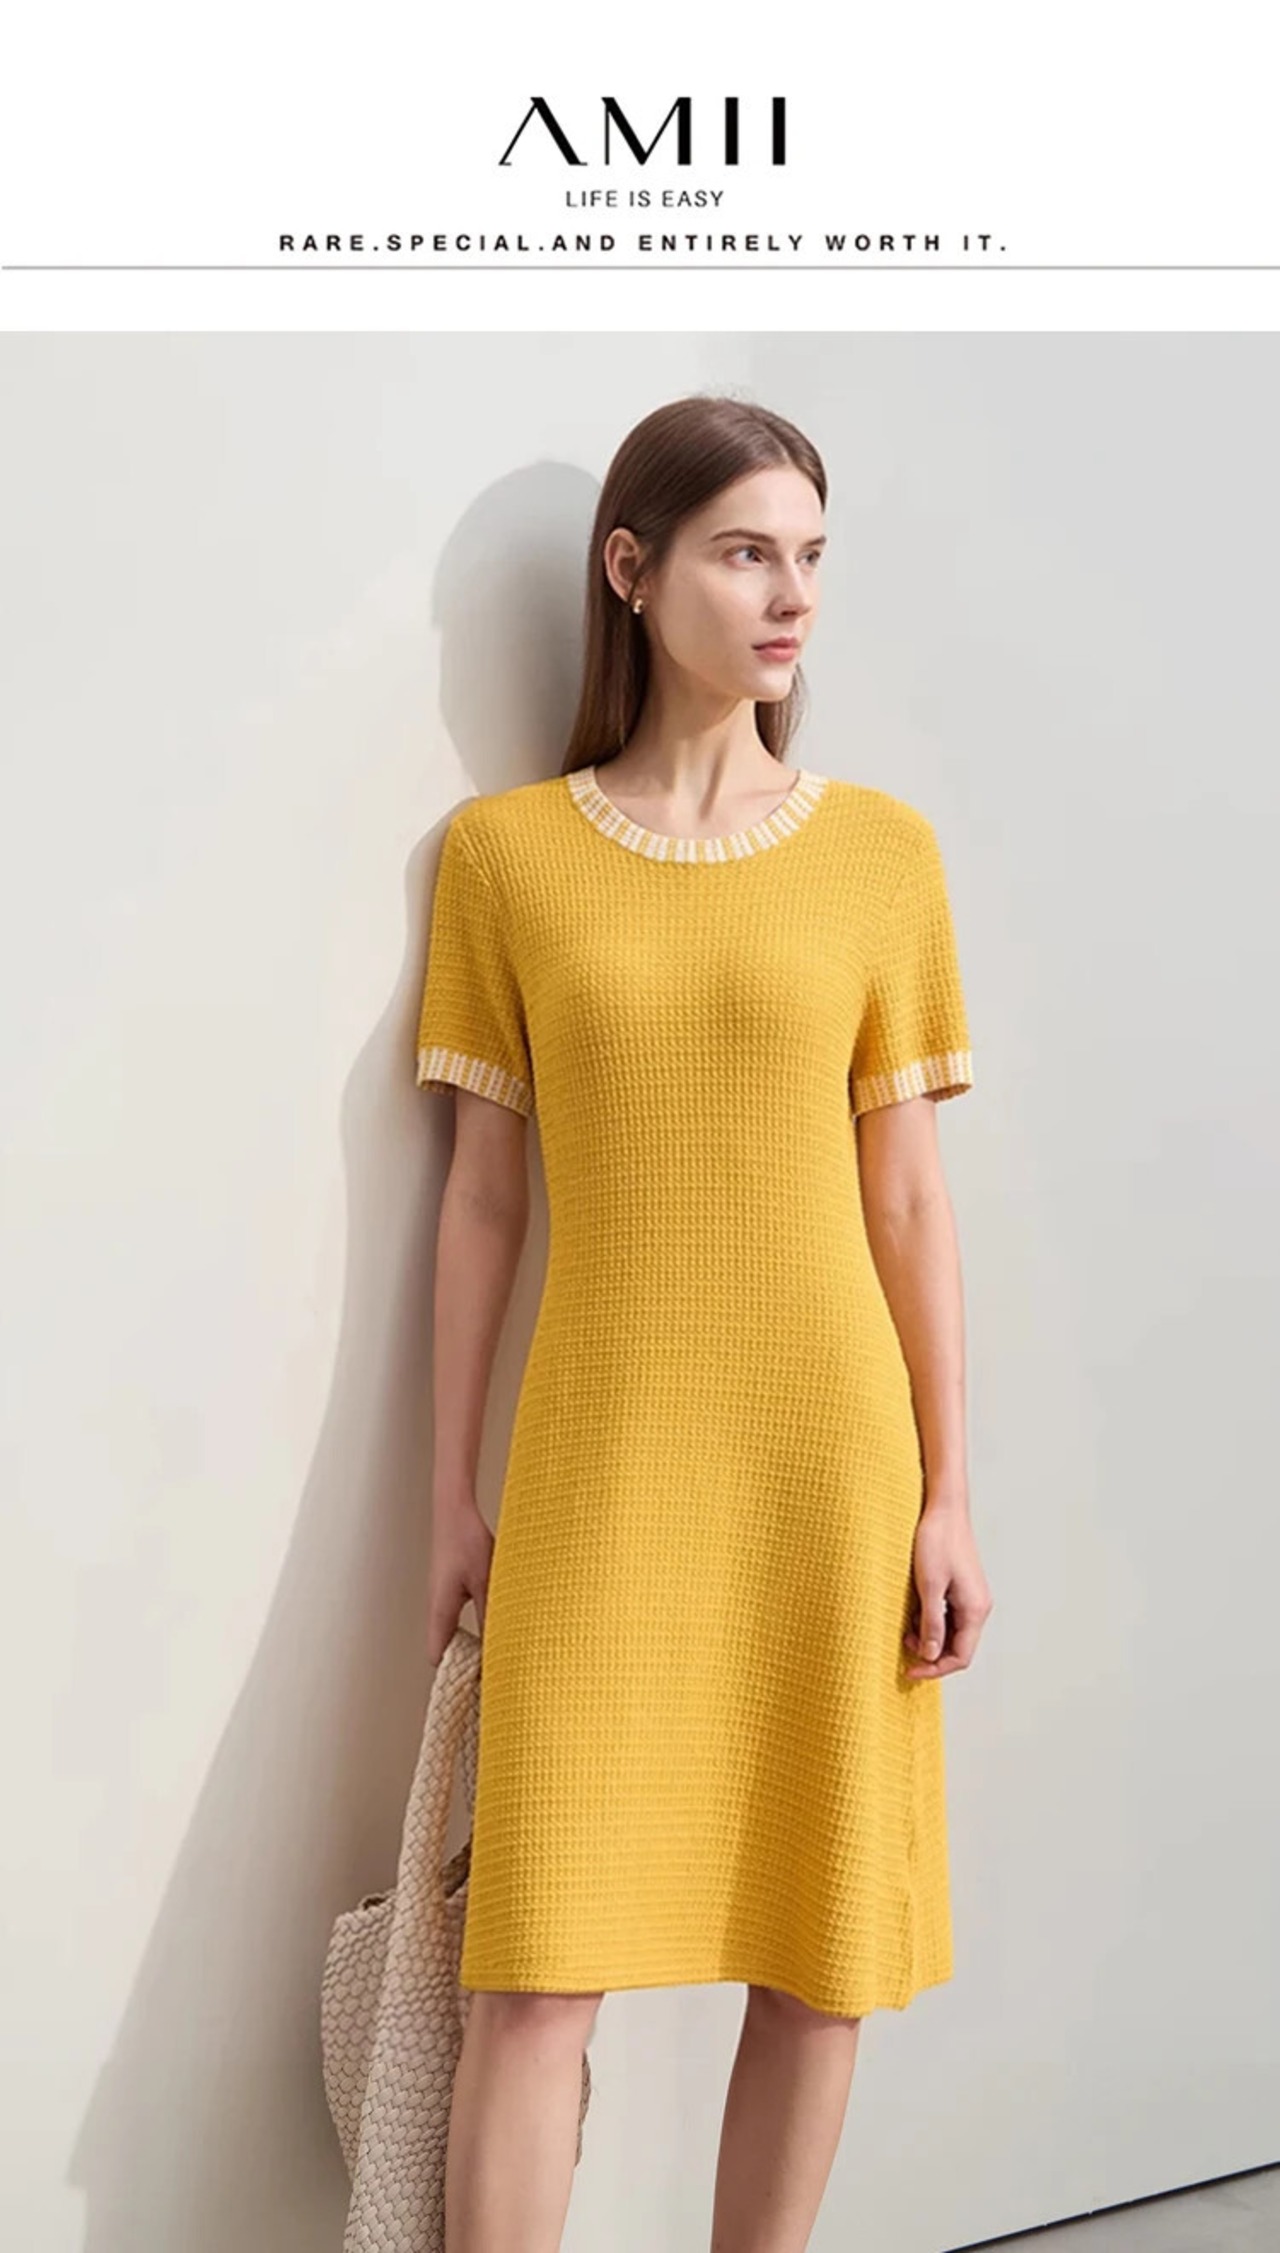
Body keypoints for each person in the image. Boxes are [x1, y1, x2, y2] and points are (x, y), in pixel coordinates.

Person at [415, 393, 994, 2253]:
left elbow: (908, 1198)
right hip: (602, 1461)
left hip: (829, 1454)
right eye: (748, 552)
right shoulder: (505, 859)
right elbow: (483, 1199)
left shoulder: (882, 853)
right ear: (632, 567)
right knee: (534, 1962)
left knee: (818, 1953)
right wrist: (451, 1493)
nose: (793, 594)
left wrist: (949, 1493)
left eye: (812, 556)